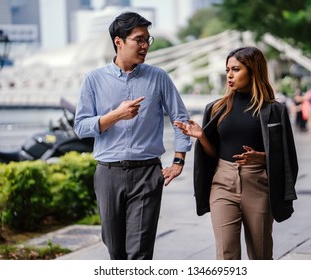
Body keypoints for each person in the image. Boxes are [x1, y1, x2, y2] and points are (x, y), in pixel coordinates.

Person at [74, 12, 192, 260]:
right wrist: (116, 115)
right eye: (139, 39)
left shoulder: (158, 77)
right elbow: (81, 127)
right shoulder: (93, 80)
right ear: (119, 41)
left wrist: (179, 160)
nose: (145, 46)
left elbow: (180, 118)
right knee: (115, 250)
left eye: (148, 40)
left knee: (140, 251)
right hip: (108, 173)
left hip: (147, 173)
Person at [174, 46, 298, 260]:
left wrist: (261, 157)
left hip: (258, 184)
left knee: (260, 255)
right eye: (227, 70)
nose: (230, 75)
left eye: (236, 69)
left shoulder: (273, 110)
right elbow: (213, 154)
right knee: (226, 255)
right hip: (223, 184)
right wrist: (201, 136)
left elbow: (287, 157)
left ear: (253, 70)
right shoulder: (216, 108)